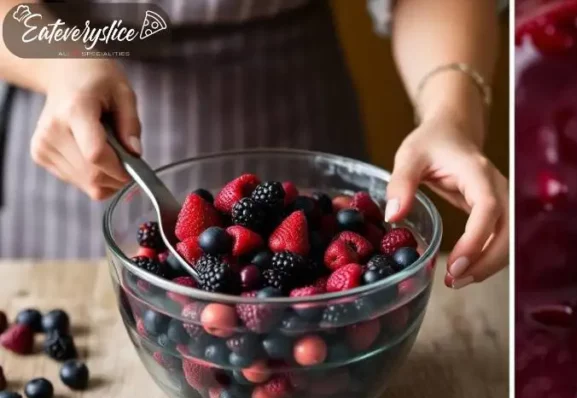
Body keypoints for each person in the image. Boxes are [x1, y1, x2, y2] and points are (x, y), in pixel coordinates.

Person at [0, 0, 508, 290]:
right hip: (73, 123)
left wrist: (450, 113)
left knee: (310, 348)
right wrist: (58, 64)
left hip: (293, 104)